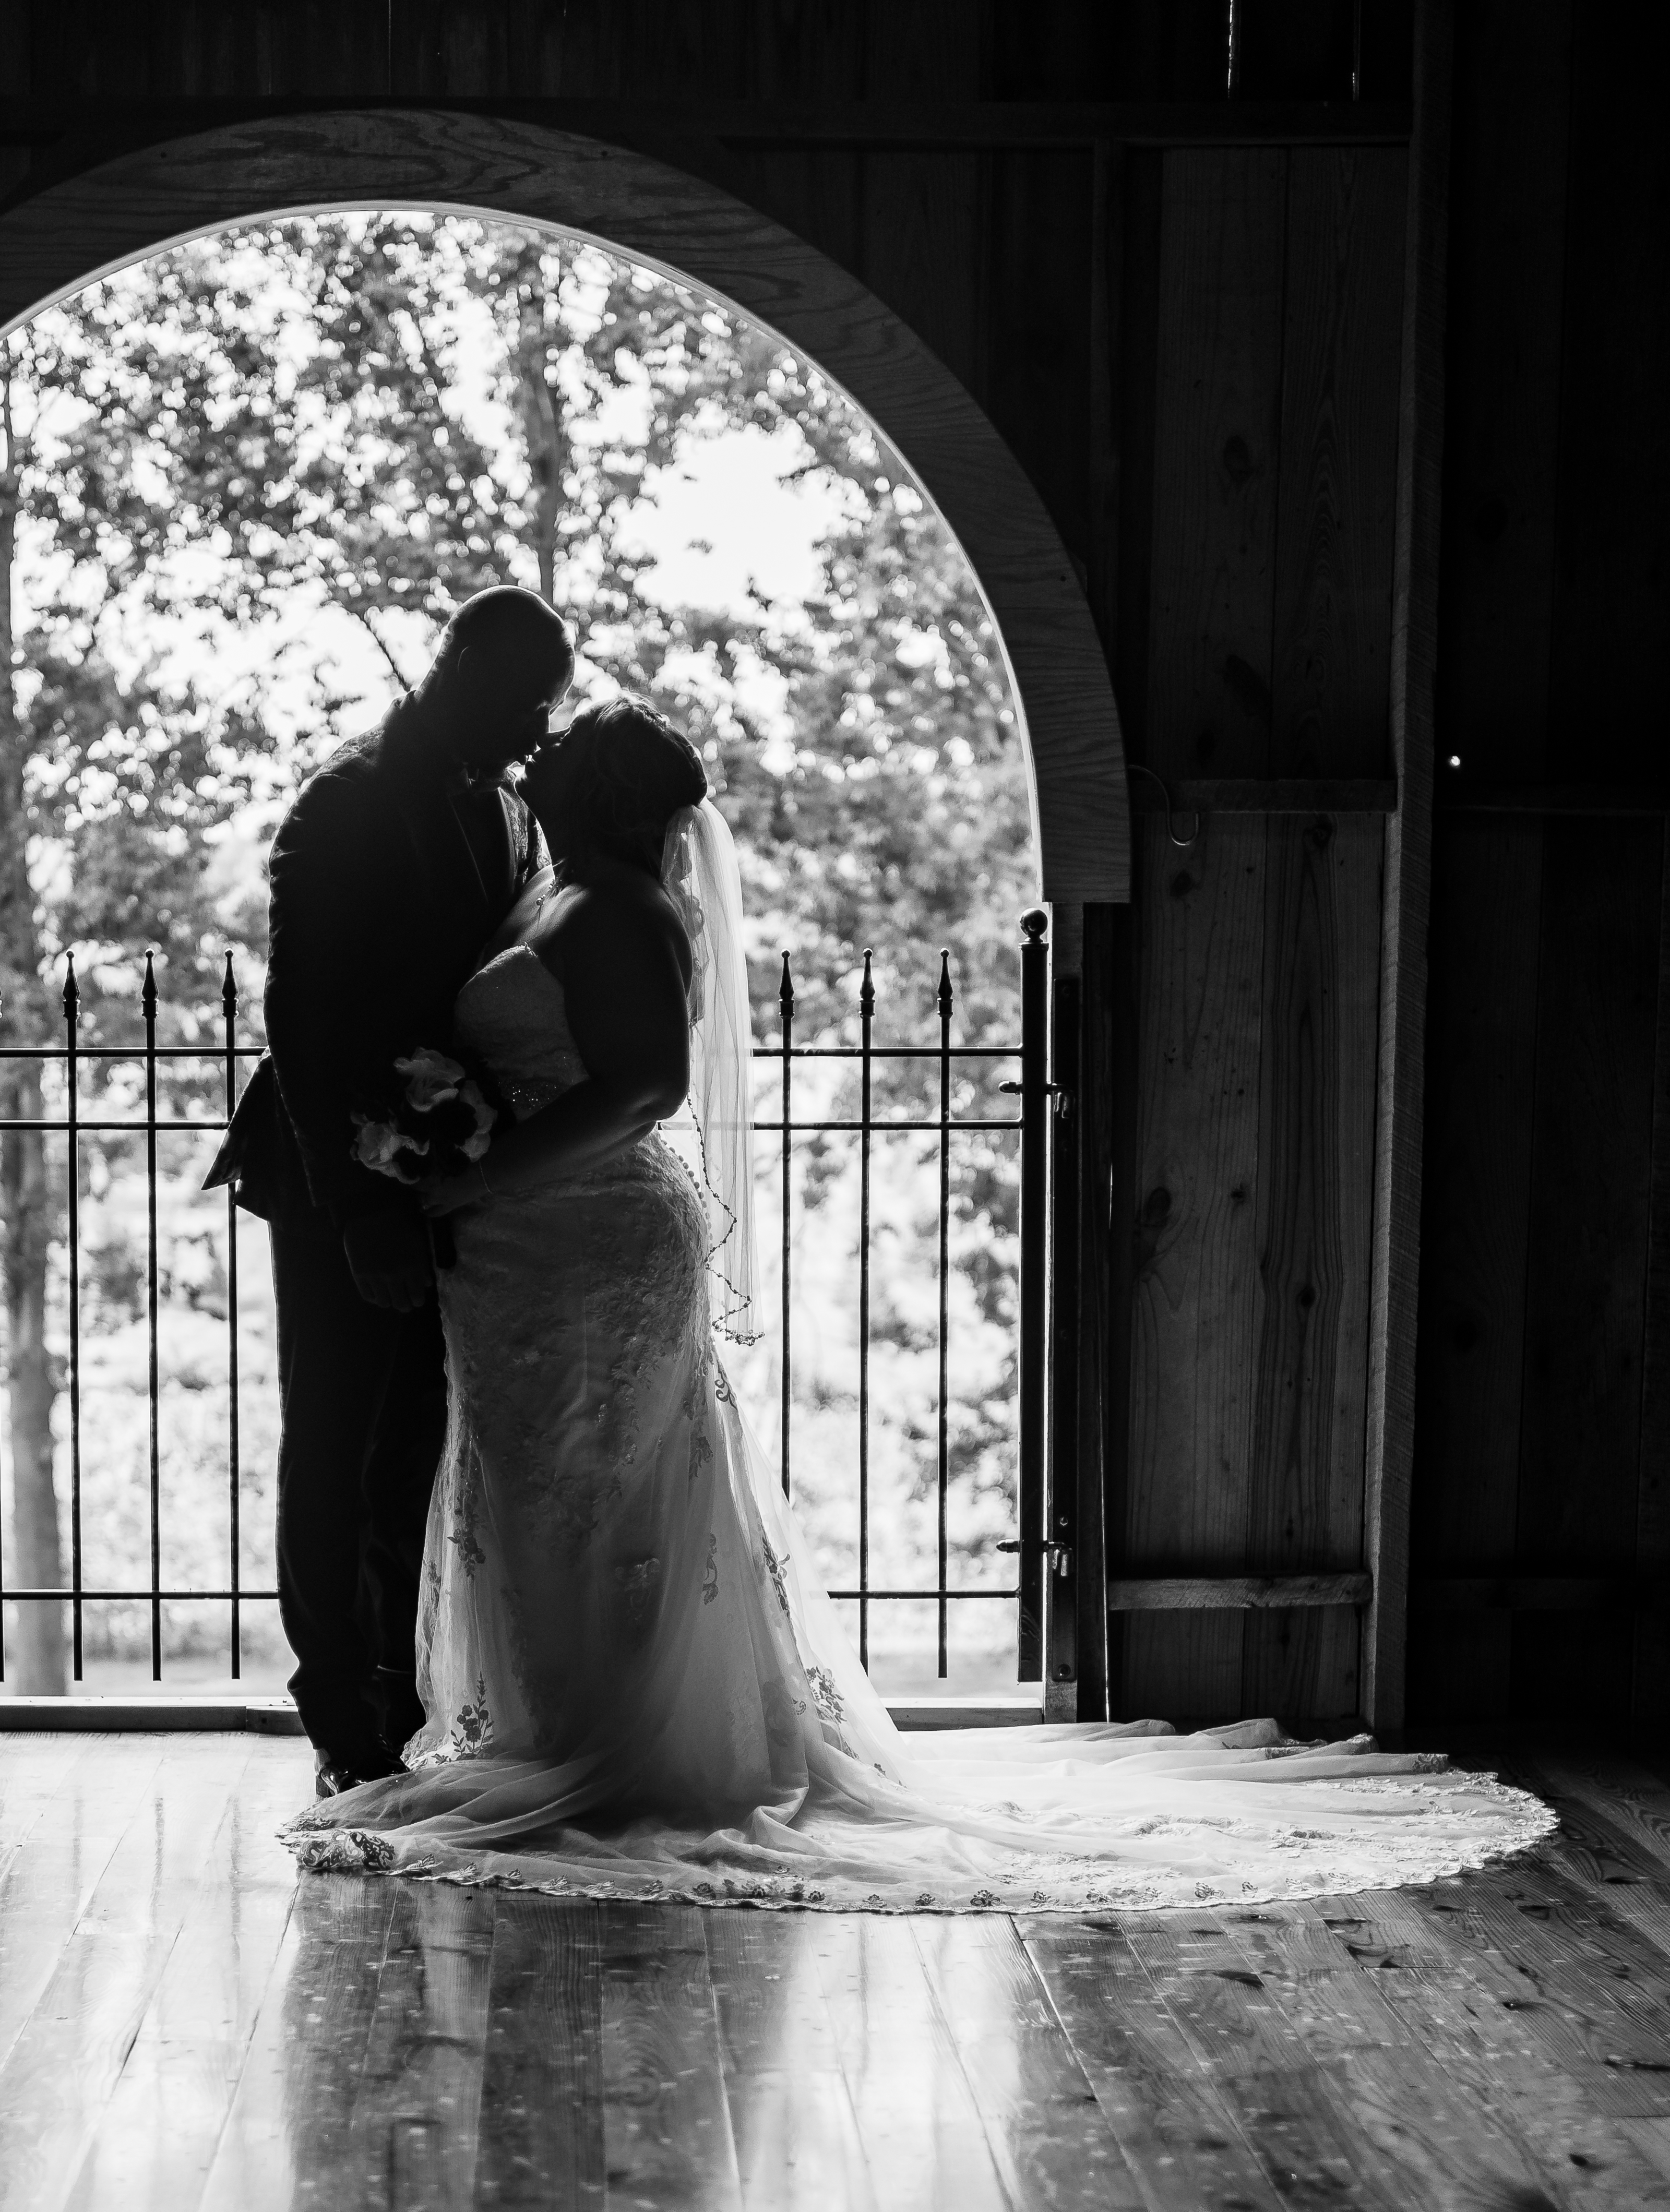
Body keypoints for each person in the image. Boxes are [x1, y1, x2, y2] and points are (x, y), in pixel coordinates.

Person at [285, 699, 1551, 1910]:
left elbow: (641, 1094)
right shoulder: (550, 882)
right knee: (535, 1492)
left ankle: (621, 1753)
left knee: (597, 1496)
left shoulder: (622, 909)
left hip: (589, 1244)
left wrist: (475, 1177)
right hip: (516, 1253)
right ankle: (558, 1728)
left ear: (604, 794)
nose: (541, 751)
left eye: (569, 746)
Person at [209, 586, 574, 1795]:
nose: (537, 728)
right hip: (337, 1177)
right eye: (524, 699)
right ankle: (339, 1723)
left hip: (453, 1171)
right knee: (336, 1444)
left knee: (414, 1445)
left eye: (550, 707)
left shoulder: (513, 803)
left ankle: (408, 1698)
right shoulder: (349, 800)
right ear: (459, 664)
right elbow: (302, 1020)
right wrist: (360, 1204)